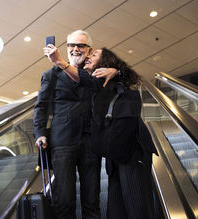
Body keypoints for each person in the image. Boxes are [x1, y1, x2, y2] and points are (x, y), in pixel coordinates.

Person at [44, 45, 158, 219]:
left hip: (133, 150)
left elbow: (129, 77)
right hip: (115, 154)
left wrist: (59, 61)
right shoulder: (96, 84)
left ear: (106, 62)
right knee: (116, 209)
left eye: (94, 54)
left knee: (137, 207)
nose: (88, 57)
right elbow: (85, 80)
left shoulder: (109, 78)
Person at [34, 30, 107, 219]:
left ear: (89, 50)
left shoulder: (96, 74)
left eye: (80, 45)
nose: (75, 49)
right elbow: (41, 106)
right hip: (62, 142)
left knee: (92, 200)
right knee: (64, 201)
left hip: (91, 142)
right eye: (71, 45)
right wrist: (40, 133)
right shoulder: (51, 75)